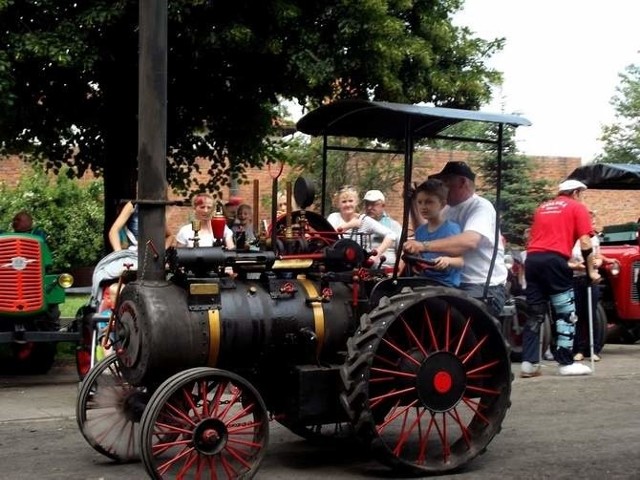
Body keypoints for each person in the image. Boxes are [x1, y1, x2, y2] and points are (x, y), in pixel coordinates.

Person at [404, 161, 508, 318]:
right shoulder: (447, 209)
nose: (442, 187)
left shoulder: (481, 207)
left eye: (446, 182)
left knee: (452, 320)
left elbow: (469, 241)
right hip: (449, 282)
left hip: (480, 285)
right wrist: (412, 204)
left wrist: (423, 246)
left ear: (462, 182)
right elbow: (425, 231)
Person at [521, 180, 601, 378]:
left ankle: (529, 363)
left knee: (535, 312)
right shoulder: (577, 207)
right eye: (581, 193)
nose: (581, 197)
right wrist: (591, 272)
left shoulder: (543, 208)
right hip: (555, 260)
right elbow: (585, 241)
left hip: (532, 259)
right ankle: (566, 362)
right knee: (566, 311)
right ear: (575, 192)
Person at [570, 210, 614, 362]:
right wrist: (577, 266)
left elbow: (597, 256)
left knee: (592, 313)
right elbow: (566, 262)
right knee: (579, 315)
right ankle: (579, 349)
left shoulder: (594, 239)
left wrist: (599, 262)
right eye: (591, 223)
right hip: (577, 279)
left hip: (592, 279)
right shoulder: (572, 239)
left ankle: (593, 349)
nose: (593, 227)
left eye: (594, 223)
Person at [402, 179, 463, 287]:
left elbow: (462, 260)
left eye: (429, 202)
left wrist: (448, 260)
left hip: (445, 285)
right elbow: (421, 259)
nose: (423, 207)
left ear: (443, 204)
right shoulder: (420, 231)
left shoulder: (451, 229)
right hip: (424, 281)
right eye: (419, 202)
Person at [326, 185, 397, 266]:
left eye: (350, 201)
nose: (348, 204)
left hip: (357, 263)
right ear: (338, 204)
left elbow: (392, 235)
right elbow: (328, 235)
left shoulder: (364, 220)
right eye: (344, 202)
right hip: (335, 261)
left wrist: (377, 254)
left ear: (356, 202)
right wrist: (349, 225)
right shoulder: (334, 217)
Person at [108, 200, 175, 251]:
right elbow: (113, 231)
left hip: (152, 258)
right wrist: (119, 254)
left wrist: (162, 250)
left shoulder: (157, 210)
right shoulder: (132, 205)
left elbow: (170, 236)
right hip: (132, 255)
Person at [363, 189, 402, 269]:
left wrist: (396, 274)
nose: (369, 207)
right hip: (363, 271)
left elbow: (402, 254)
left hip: (386, 271)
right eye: (367, 204)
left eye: (374, 204)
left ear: (383, 205)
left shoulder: (394, 226)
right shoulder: (360, 224)